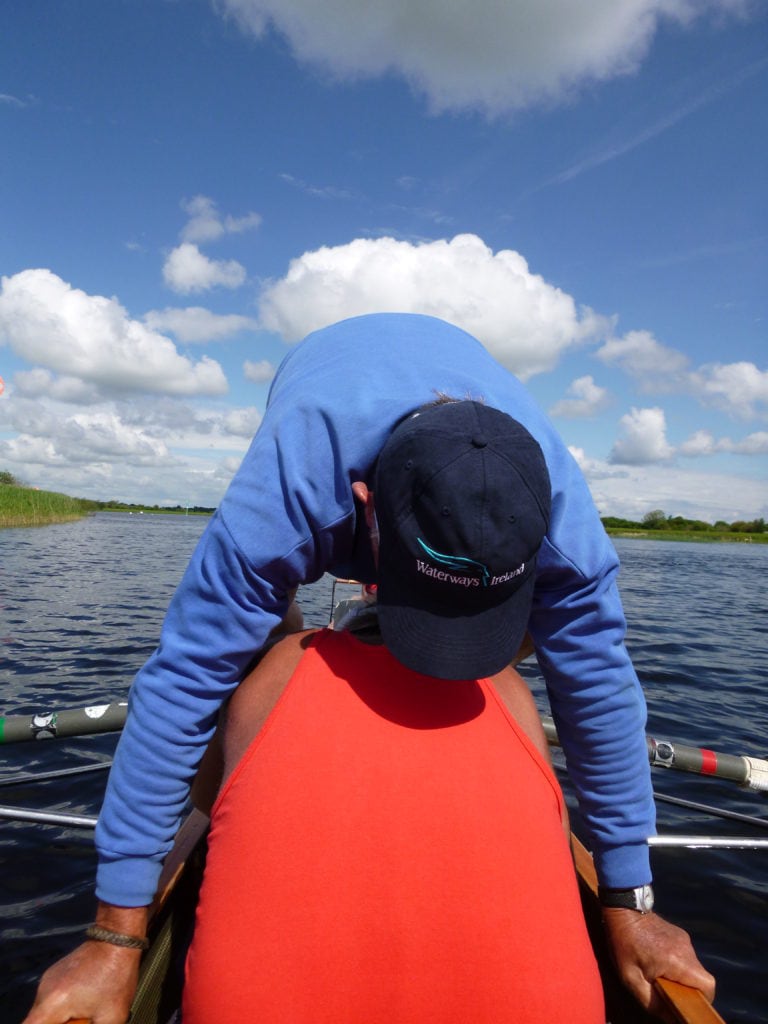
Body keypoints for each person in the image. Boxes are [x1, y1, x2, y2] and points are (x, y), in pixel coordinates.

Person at [23, 315, 714, 1023]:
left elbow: (597, 691)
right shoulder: (289, 490)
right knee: (243, 651)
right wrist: (113, 935)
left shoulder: (564, 528)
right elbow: (181, 685)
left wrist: (631, 901)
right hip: (325, 419)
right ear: (366, 511)